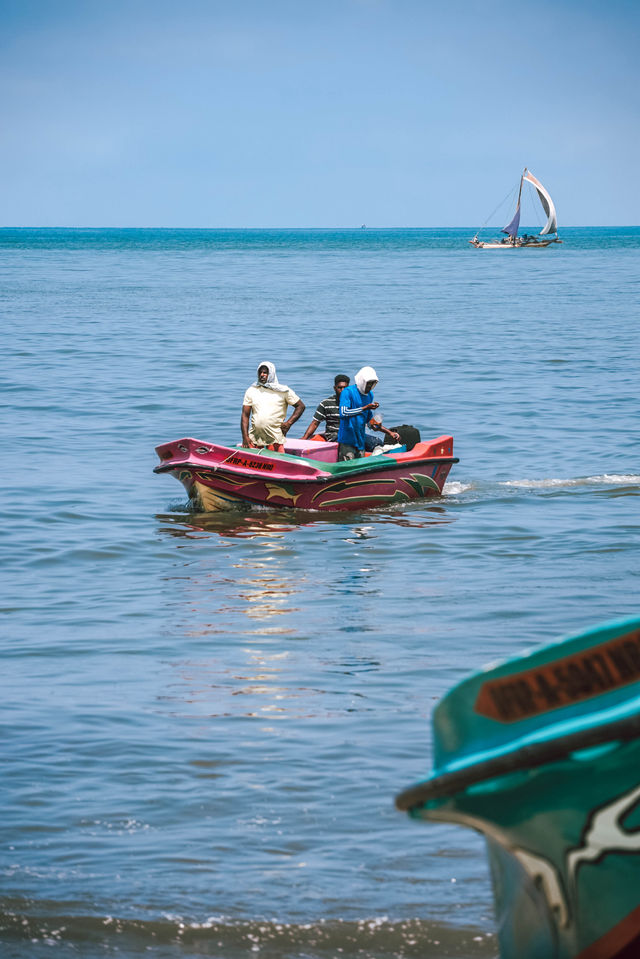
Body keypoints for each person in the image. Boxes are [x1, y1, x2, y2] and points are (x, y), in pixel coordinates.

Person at [337, 366, 399, 460]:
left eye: (372, 384)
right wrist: (365, 407)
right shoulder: (348, 392)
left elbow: (368, 421)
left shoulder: (369, 395)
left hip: (360, 441)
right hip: (347, 440)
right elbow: (343, 412)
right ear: (362, 381)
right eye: (368, 384)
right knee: (348, 466)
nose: (369, 387)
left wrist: (389, 432)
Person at [241, 361, 305, 452]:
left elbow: (300, 406)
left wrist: (288, 424)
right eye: (260, 372)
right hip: (255, 439)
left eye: (265, 372)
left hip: (275, 440)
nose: (262, 375)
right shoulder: (252, 390)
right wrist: (245, 437)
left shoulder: (283, 391)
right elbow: (245, 415)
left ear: (271, 374)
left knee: (276, 463)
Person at [302, 374, 350, 443]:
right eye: (340, 388)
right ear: (335, 388)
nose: (342, 390)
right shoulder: (326, 404)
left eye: (345, 388)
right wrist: (304, 438)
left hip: (350, 435)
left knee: (370, 442)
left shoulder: (354, 403)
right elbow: (315, 423)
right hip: (334, 436)